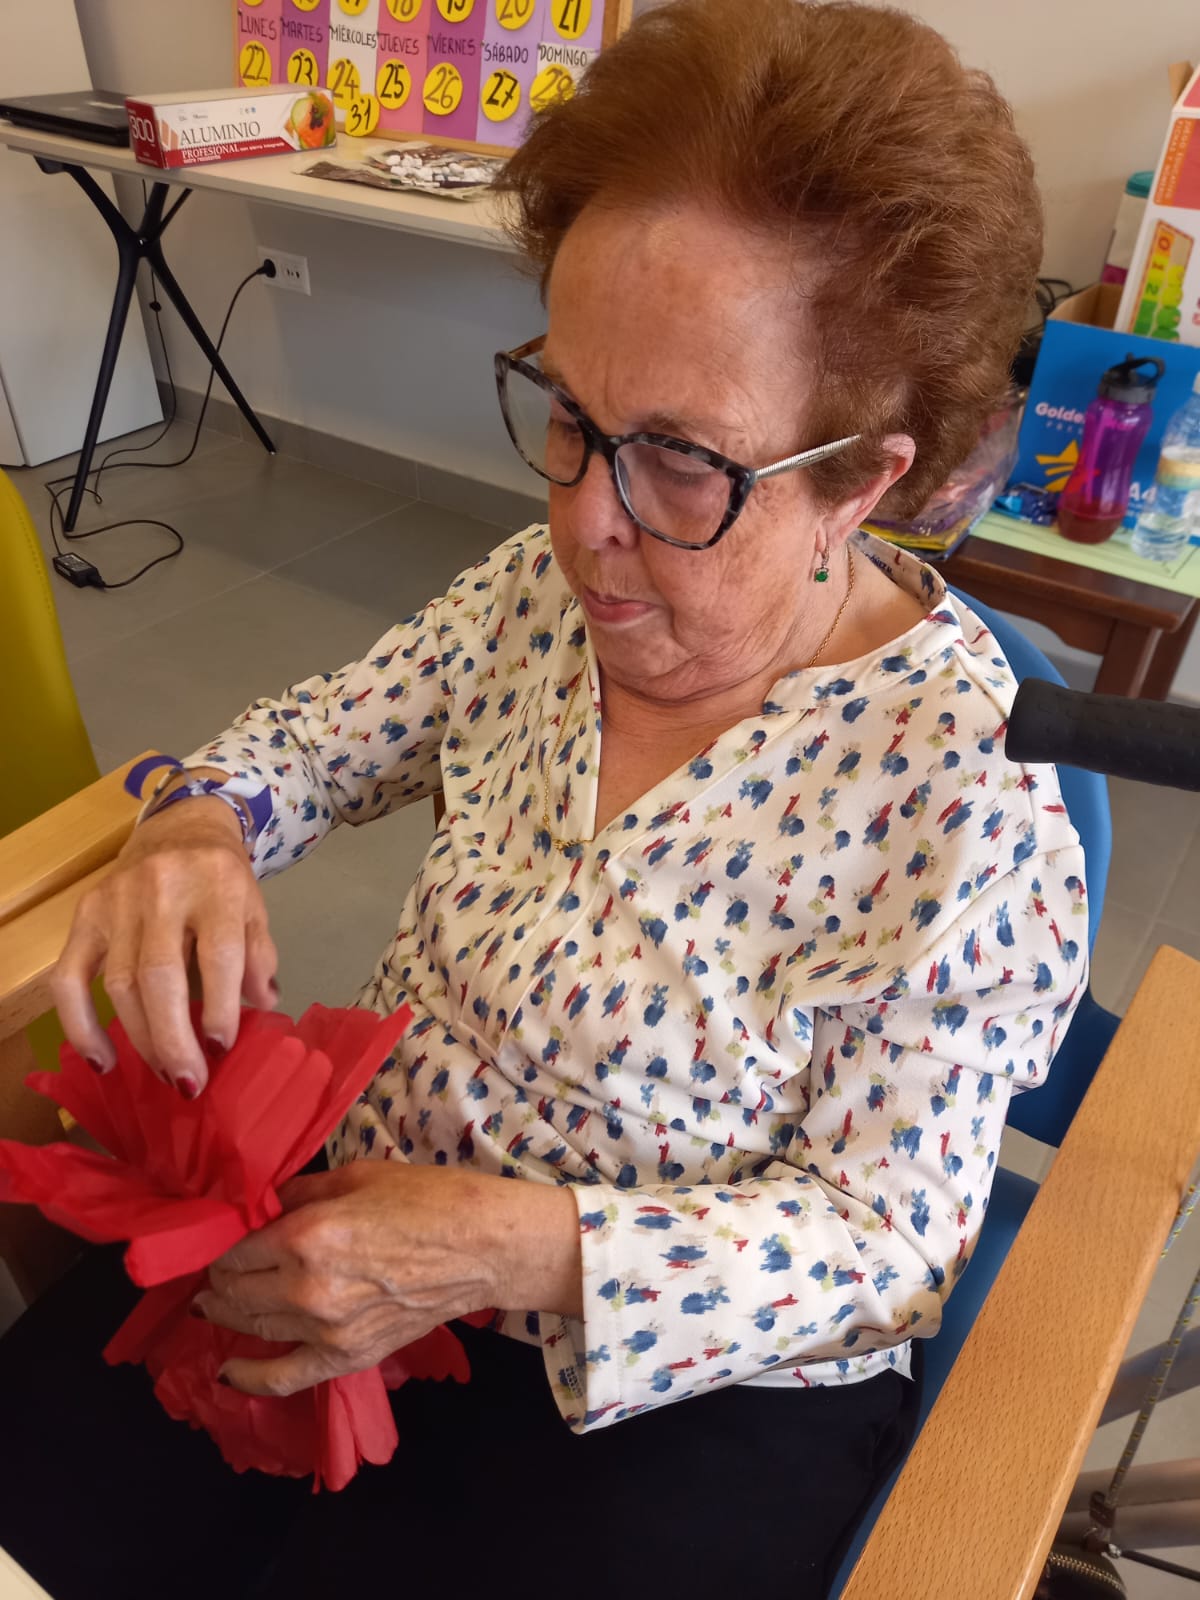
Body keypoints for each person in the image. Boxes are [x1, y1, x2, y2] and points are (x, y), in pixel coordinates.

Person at [0, 2, 1087, 1595]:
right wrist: (196, 819)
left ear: (862, 480)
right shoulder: (536, 598)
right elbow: (315, 740)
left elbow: (888, 1244)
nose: (586, 523)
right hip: (339, 1237)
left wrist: (519, 1246)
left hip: (664, 1391)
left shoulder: (968, 815)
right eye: (570, 414)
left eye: (681, 462)